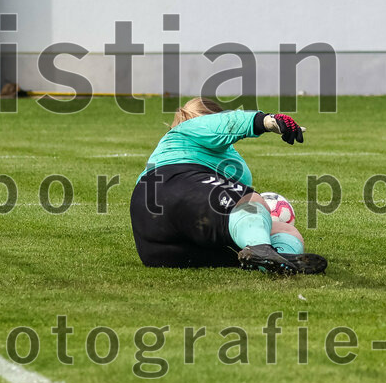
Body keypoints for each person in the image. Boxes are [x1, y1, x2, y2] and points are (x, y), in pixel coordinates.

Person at [130, 97, 327, 275]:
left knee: (287, 231)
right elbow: (222, 124)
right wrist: (266, 121)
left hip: (158, 246)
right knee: (250, 200)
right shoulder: (187, 130)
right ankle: (262, 248)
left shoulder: (224, 161)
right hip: (169, 185)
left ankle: (278, 259)